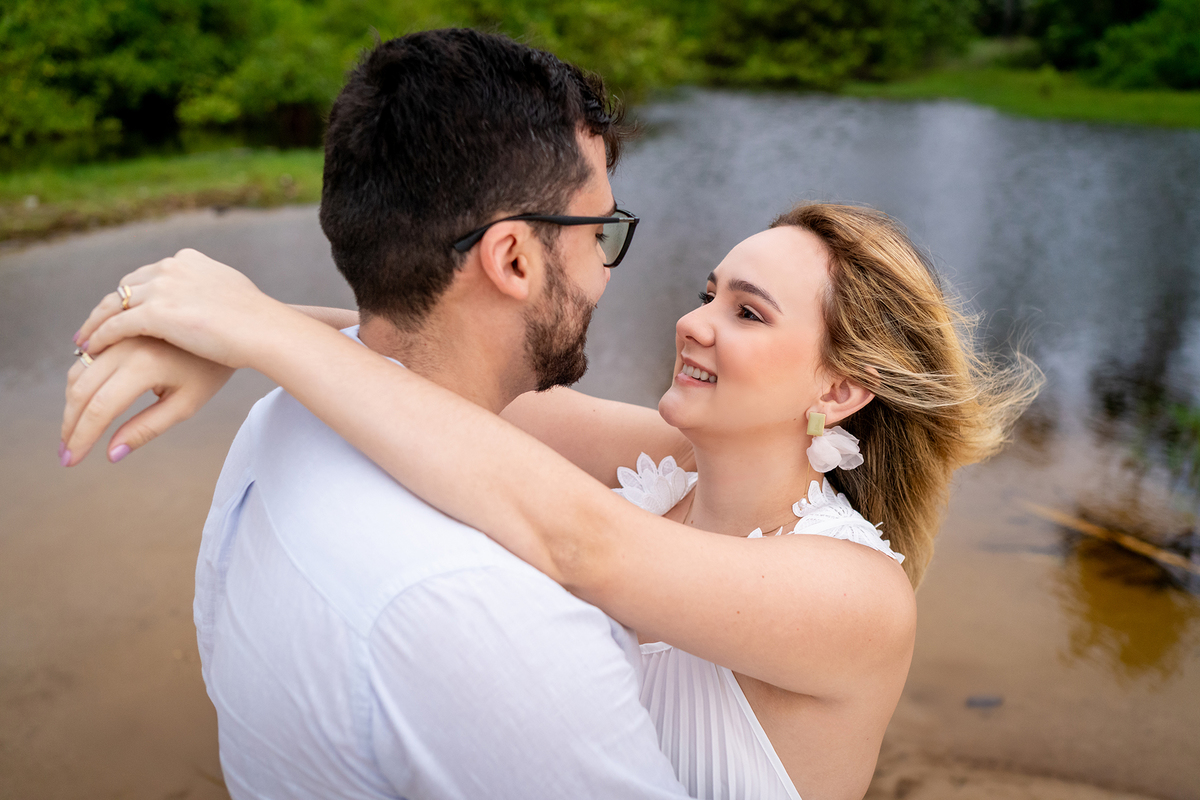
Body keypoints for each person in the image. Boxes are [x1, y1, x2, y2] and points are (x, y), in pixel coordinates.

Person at [63, 199, 1042, 796]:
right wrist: (233, 325)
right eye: (710, 290)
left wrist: (256, 335)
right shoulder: (673, 458)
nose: (694, 321)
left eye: (746, 312)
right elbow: (445, 395)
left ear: (838, 390)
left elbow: (583, 545)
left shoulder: (856, 596)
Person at [63, 28, 695, 800]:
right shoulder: (486, 617)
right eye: (599, 233)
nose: (604, 268)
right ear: (514, 259)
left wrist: (260, 324)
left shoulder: (285, 415)